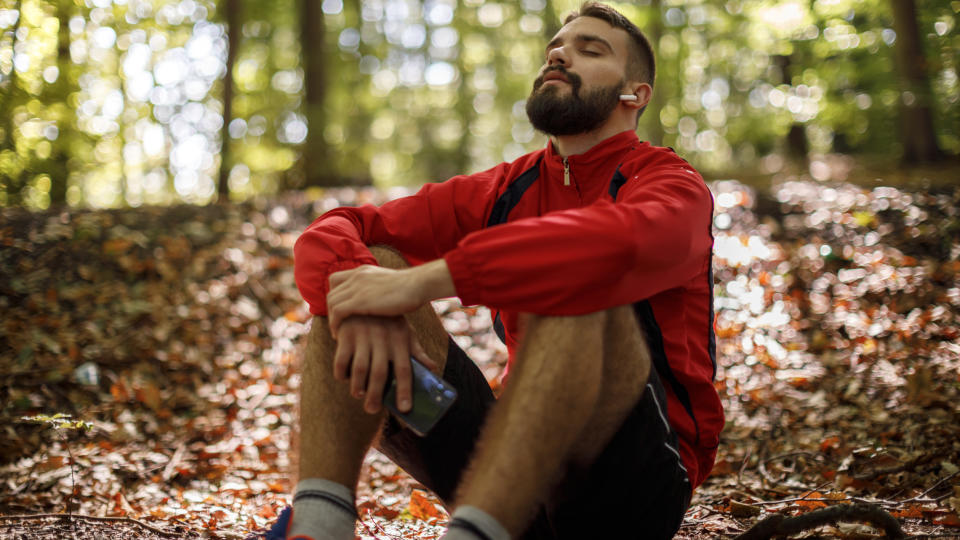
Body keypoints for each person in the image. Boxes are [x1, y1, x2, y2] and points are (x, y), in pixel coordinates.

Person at [254, 2, 723, 539]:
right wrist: (367, 304)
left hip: (633, 480)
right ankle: (318, 525)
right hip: (511, 476)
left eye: (589, 50)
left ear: (634, 95)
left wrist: (424, 280)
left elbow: (616, 247)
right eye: (556, 49)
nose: (560, 56)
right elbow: (339, 228)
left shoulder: (670, 182)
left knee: (576, 287)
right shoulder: (507, 187)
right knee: (364, 268)